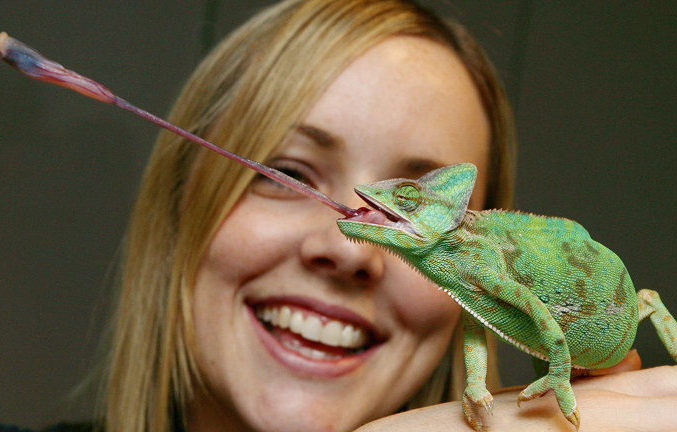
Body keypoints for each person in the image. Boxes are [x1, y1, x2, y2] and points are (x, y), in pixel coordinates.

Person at [81, 1, 677, 431]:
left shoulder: (463, 261)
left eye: (418, 193)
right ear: (179, 199)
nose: (347, 252)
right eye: (284, 174)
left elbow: (487, 311)